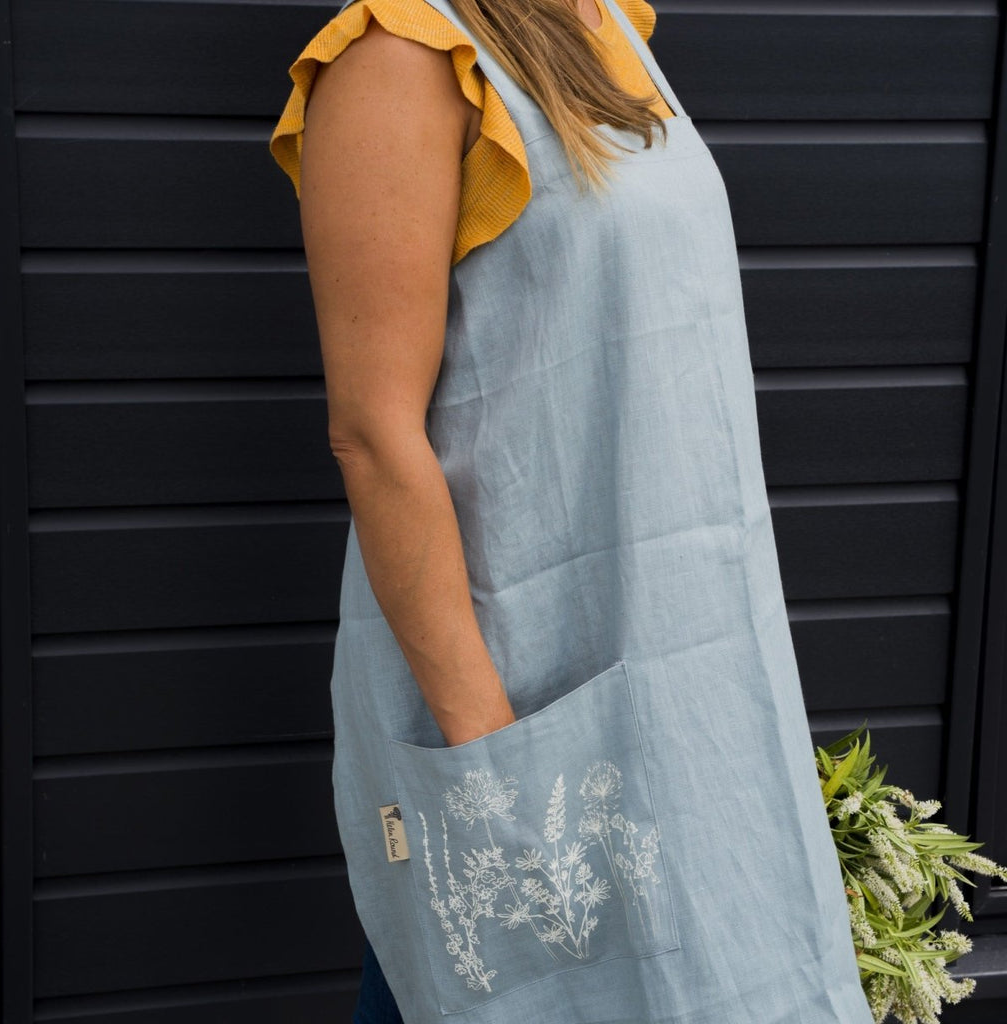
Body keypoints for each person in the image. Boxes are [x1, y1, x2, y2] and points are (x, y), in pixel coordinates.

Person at [268, 0, 876, 1020]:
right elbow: (372, 435)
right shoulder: (400, 55)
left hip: (689, 678)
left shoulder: (606, 21)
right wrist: (497, 770)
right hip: (517, 694)